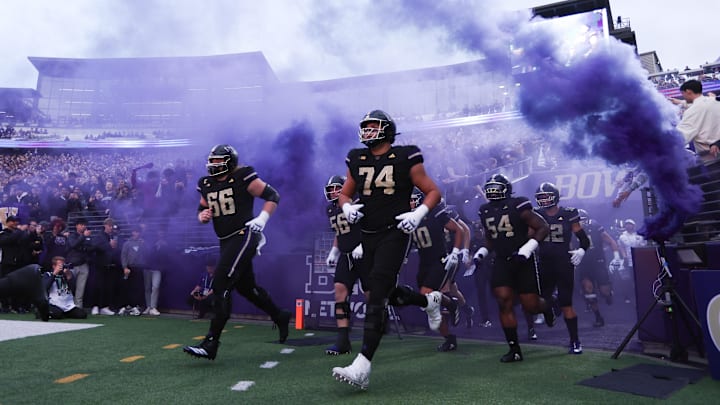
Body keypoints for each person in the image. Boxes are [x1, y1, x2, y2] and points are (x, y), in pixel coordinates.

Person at [332, 110, 443, 390]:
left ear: (387, 130)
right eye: (365, 127)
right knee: (380, 293)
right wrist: (346, 206)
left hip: (394, 233)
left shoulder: (405, 155)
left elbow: (433, 191)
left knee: (377, 294)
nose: (367, 132)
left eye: (373, 127)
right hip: (366, 234)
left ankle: (362, 365)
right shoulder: (356, 158)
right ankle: (427, 302)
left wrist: (417, 214)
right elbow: (345, 192)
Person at [183, 144, 290, 361]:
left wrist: (262, 219)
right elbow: (202, 207)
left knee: (221, 283)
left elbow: (272, 195)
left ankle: (211, 343)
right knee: (246, 288)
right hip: (225, 240)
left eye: (218, 161)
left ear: (229, 162)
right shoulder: (206, 183)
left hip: (245, 234)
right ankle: (280, 315)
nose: (213, 165)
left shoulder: (243, 176)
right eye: (211, 161)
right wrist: (202, 216)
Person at [471, 174, 555, 363]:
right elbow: (492, 237)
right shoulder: (485, 210)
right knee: (504, 302)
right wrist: (483, 252)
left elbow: (543, 226)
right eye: (490, 187)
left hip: (523, 260)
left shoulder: (518, 204)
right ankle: (514, 349)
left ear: (506, 188)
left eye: (496, 186)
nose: (492, 190)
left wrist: (527, 249)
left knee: (531, 306)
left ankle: (548, 306)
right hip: (501, 260)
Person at [534, 182, 591, 355]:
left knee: (567, 304)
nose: (543, 201)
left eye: (546, 197)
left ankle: (575, 341)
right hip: (544, 262)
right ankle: (552, 305)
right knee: (541, 299)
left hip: (563, 263)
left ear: (555, 196)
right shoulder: (536, 214)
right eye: (540, 198)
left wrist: (582, 250)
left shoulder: (568, 213)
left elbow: (583, 238)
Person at [408, 188, 466, 352]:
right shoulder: (409, 215)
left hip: (439, 260)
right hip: (424, 261)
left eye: (413, 199)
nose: (411, 203)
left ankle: (451, 307)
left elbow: (458, 230)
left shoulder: (434, 211)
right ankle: (449, 336)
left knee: (427, 294)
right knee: (427, 303)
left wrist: (455, 252)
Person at [323, 174, 369, 356]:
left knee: (371, 296)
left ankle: (373, 337)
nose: (334, 192)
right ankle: (343, 341)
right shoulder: (331, 209)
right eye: (331, 189)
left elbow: (371, 225)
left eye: (337, 188)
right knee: (340, 293)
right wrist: (334, 251)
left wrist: (363, 244)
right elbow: (340, 232)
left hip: (365, 254)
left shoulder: (357, 201)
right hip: (346, 255)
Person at [575, 209, 623, 327]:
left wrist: (616, 257)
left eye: (583, 220)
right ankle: (598, 317)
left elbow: (611, 241)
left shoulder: (595, 226)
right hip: (584, 264)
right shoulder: (572, 230)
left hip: (598, 262)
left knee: (604, 291)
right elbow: (570, 245)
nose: (581, 223)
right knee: (588, 289)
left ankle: (608, 294)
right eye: (579, 220)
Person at [677, 79, 720, 163]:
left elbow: (682, 137)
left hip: (713, 160)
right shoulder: (715, 101)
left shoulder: (691, 111)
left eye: (682, 93)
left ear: (688, 91)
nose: (683, 96)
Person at [65, 217, 94, 310]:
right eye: (81, 225)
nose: (83, 226)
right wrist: (83, 237)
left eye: (84, 225)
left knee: (80, 289)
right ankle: (68, 306)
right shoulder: (72, 236)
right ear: (76, 226)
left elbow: (90, 248)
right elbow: (73, 245)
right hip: (73, 265)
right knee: (70, 288)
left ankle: (78, 308)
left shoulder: (87, 236)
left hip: (84, 264)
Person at [616, 218, 647, 304]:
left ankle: (640, 295)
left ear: (633, 226)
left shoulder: (639, 236)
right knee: (627, 280)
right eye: (627, 224)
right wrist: (624, 256)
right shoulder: (622, 236)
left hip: (638, 261)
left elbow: (643, 246)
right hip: (627, 261)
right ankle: (627, 296)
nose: (628, 226)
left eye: (630, 224)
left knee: (639, 279)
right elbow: (621, 247)